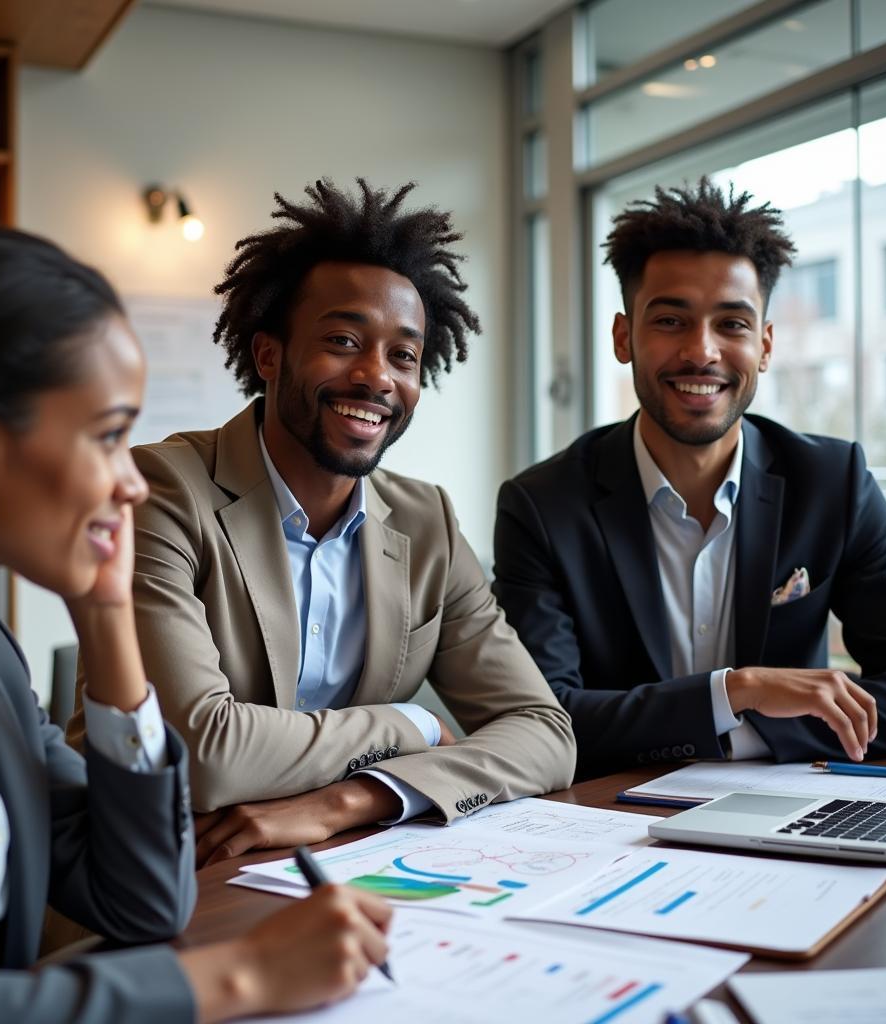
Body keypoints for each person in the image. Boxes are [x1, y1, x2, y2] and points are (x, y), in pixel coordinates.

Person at [0, 221, 391, 1023]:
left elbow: (144, 899)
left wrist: (109, 617)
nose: (133, 484)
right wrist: (242, 976)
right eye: (110, 436)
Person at [68, 179, 575, 863]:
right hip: (157, 869)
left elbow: (545, 733)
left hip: (338, 854)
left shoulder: (427, 521)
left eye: (404, 355)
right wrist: (410, 724)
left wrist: (356, 798)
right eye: (343, 340)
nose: (376, 378)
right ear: (269, 355)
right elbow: (201, 753)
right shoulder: (163, 491)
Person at [493, 178, 886, 780]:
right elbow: (543, 719)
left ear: (764, 345)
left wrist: (744, 733)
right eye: (670, 320)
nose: (702, 352)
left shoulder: (833, 482)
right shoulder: (542, 505)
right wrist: (735, 692)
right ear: (623, 336)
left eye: (732, 324)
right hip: (613, 819)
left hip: (793, 807)